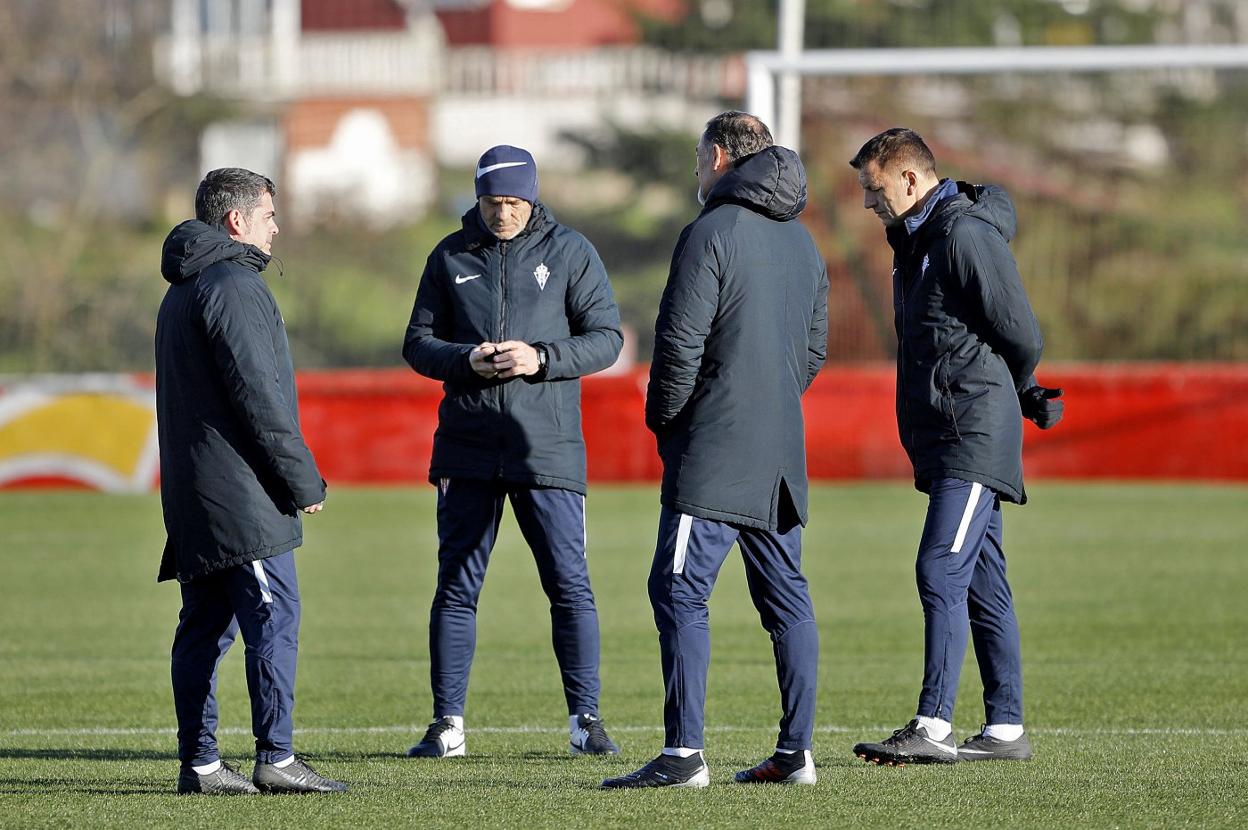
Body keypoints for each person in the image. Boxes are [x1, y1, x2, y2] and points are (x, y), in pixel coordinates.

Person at [601, 112, 829, 789]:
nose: (696, 171)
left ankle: (683, 755)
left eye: (699, 158)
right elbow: (813, 351)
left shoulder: (710, 232)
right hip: (781, 454)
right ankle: (796, 754)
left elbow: (679, 344)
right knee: (787, 599)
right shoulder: (804, 242)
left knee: (676, 589)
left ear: (721, 156)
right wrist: (770, 397)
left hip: (716, 450)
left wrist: (669, 423)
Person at [847, 128, 1064, 765]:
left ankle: (933, 724)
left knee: (940, 566)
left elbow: (1020, 330)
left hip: (971, 430)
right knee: (982, 583)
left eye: (874, 187)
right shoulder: (915, 241)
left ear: (910, 180)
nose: (867, 201)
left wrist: (1018, 388)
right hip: (946, 434)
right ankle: (1004, 730)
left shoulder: (963, 235)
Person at [402, 145, 624, 759]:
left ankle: (586, 720)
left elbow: (607, 338)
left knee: (569, 586)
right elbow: (417, 343)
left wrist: (542, 358)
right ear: (477, 198)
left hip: (547, 450)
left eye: (515, 202)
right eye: (494, 202)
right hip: (468, 449)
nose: (505, 214)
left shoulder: (571, 251)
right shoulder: (448, 256)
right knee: (455, 587)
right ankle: (447, 725)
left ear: (532, 197)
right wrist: (464, 360)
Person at [155, 168, 347, 794]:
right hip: (240, 496)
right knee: (273, 617)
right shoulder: (234, 286)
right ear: (237, 221)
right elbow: (259, 398)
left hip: (195, 494)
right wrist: (302, 482)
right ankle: (277, 757)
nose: (275, 227)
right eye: (268, 215)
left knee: (203, 628)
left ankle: (202, 764)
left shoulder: (182, 289)